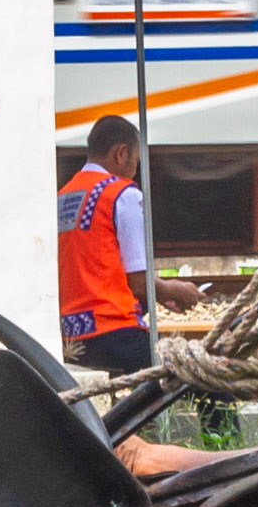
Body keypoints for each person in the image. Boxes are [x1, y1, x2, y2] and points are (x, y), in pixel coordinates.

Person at [54, 116, 202, 374]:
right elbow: (138, 282)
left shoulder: (62, 196)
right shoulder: (122, 194)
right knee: (202, 379)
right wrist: (173, 290)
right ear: (121, 153)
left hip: (71, 337)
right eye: (135, 161)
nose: (135, 170)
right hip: (114, 332)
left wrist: (158, 297)